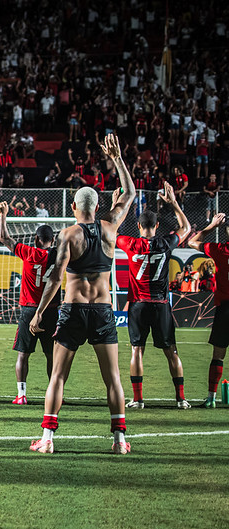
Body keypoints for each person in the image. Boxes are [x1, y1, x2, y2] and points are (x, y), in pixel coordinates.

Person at [28, 133, 136, 454]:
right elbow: (129, 193)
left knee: (58, 376)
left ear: (73, 206)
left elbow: (56, 278)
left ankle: (47, 440)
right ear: (99, 205)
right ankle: (119, 441)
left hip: (73, 310)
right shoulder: (110, 228)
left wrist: (37, 313)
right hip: (103, 311)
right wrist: (116, 158)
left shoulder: (67, 234)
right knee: (113, 378)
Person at [117, 182, 192, 409]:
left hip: (138, 305)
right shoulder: (166, 242)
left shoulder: (130, 243)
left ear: (139, 227)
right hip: (160, 305)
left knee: (136, 351)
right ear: (157, 226)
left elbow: (112, 231)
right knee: (172, 352)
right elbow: (186, 228)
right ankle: (181, 399)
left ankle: (138, 400)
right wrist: (175, 204)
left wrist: (116, 205)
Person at [0, 201, 58, 405]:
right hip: (51, 310)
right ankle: (54, 394)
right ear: (53, 239)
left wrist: (4, 215)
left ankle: (21, 395)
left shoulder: (29, 252)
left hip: (29, 310)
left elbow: (4, 238)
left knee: (23, 355)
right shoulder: (59, 255)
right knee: (52, 355)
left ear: (35, 239)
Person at [188, 212, 229, 408]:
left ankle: (211, 398)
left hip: (225, 310)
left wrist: (212, 226)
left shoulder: (219, 249)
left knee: (218, 355)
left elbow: (192, 242)